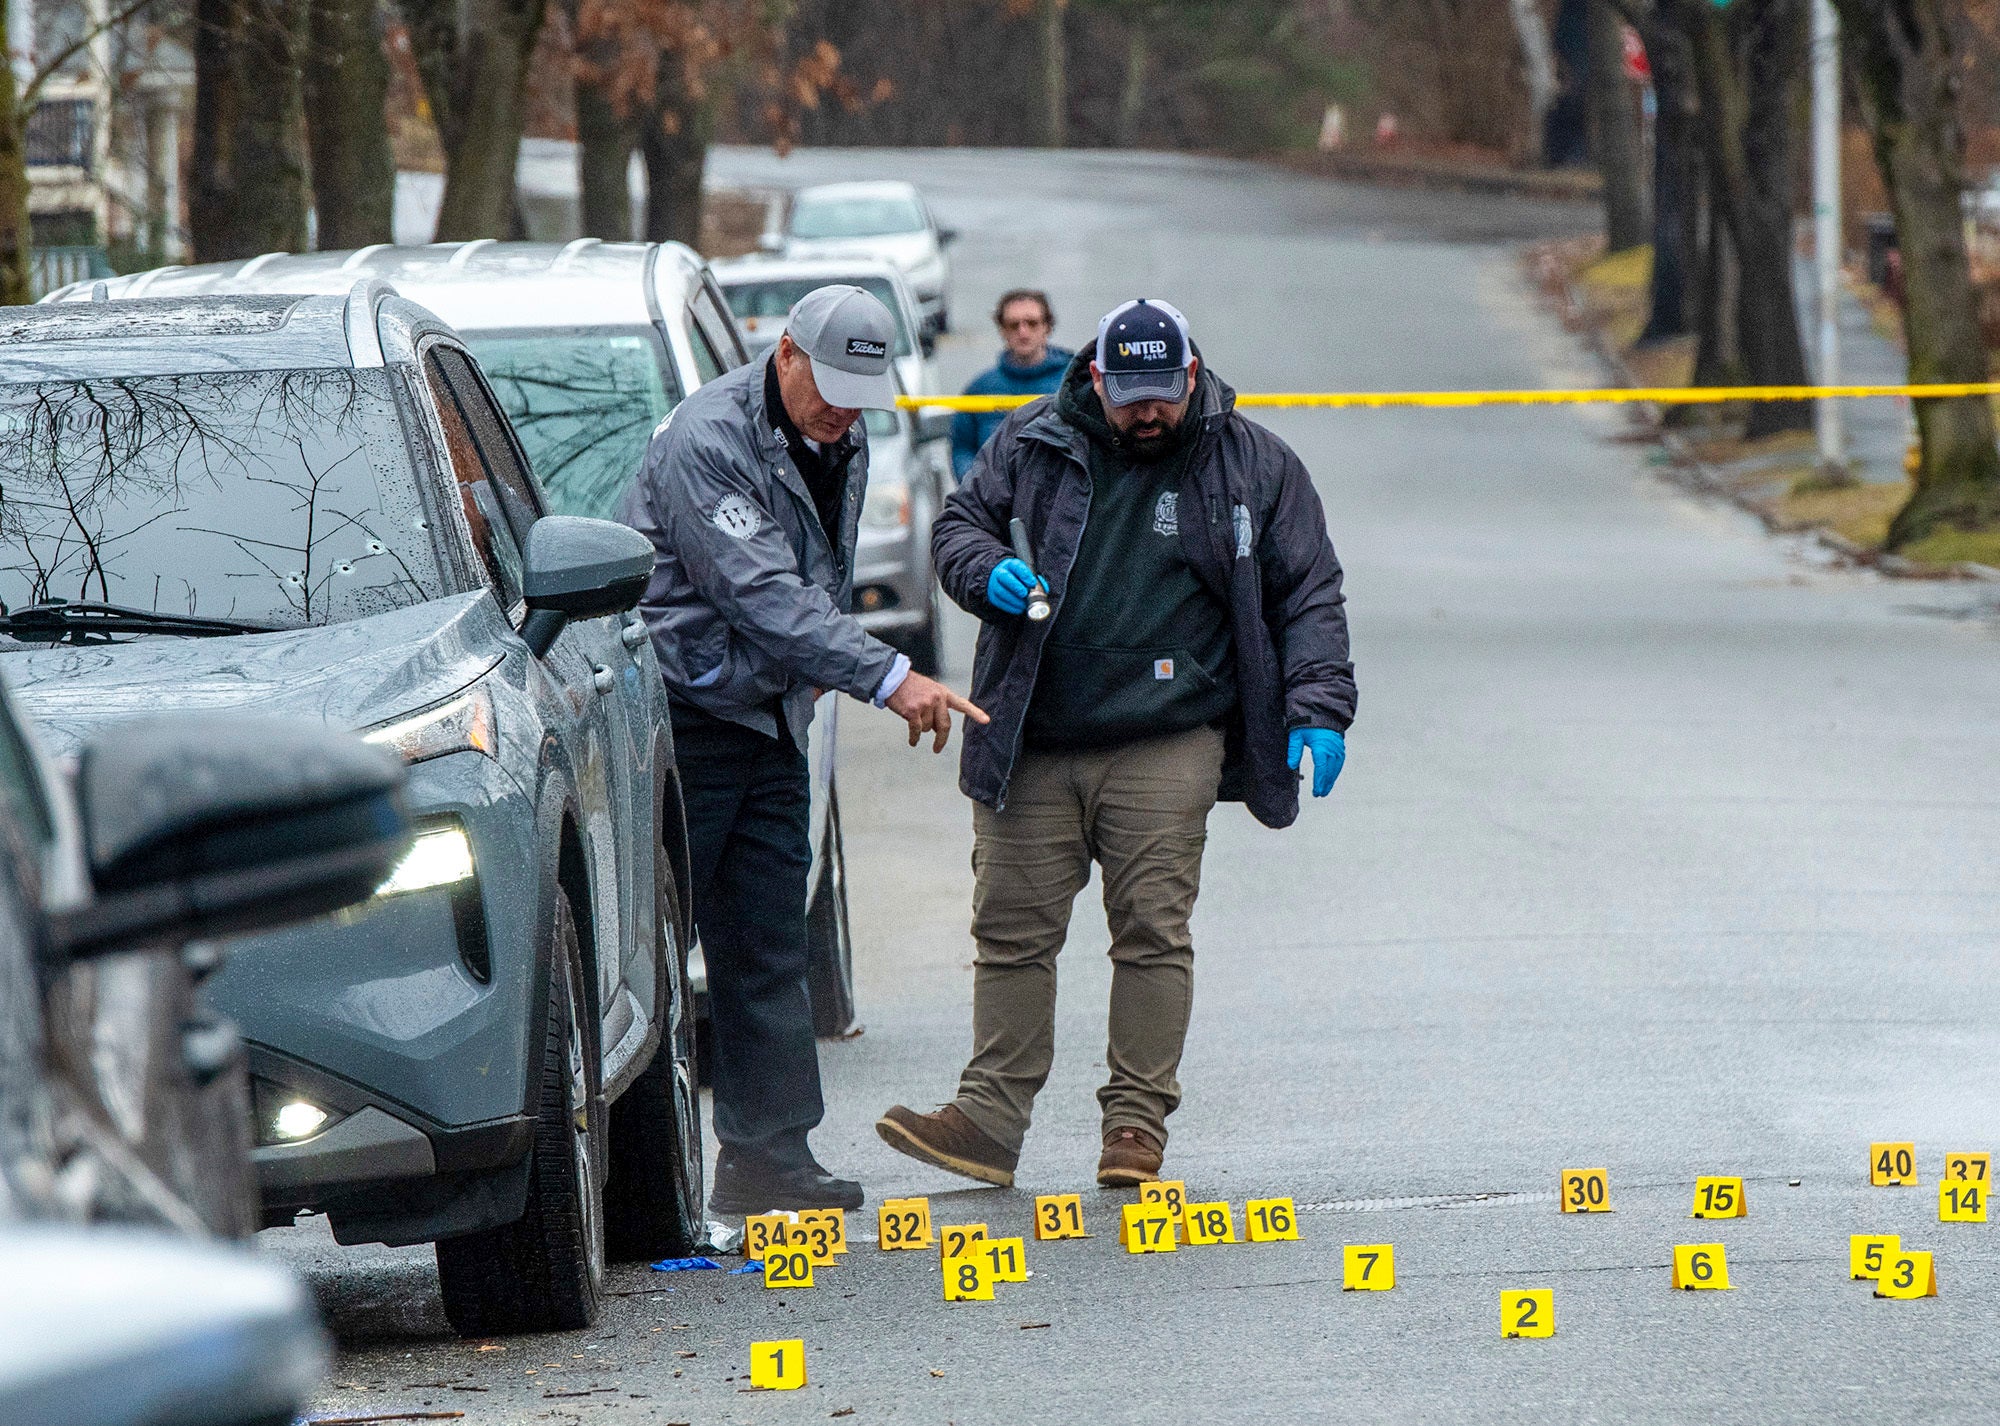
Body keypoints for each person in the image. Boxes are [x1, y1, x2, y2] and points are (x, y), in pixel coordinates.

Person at [877, 298, 1355, 1189]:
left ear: (1191, 375)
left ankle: (1135, 1127)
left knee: (1150, 930)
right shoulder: (1032, 441)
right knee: (1011, 933)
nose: (1148, 412)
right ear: (1096, 378)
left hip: (1168, 737)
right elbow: (956, 531)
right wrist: (986, 573)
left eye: (1163, 393)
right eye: (1129, 393)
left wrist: (1319, 708)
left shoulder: (1252, 463)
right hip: (1034, 730)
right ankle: (987, 1121)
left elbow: (1309, 594)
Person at [621, 285, 987, 1215]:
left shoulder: (843, 434)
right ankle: (636, 1182)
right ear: (783, 353)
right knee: (658, 955)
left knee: (768, 946)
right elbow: (766, 597)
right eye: (826, 385)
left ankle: (767, 1159)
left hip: (772, 715)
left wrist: (818, 669)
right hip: (683, 717)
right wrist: (886, 676)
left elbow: (819, 577)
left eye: (859, 393)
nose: (840, 409)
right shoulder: (708, 442)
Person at [949, 289, 1072, 483]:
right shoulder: (980, 389)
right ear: (1002, 330)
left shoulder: (1072, 383)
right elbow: (962, 447)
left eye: (1032, 323)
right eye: (1013, 325)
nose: (1023, 332)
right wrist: (976, 485)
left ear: (1047, 327)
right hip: (995, 505)